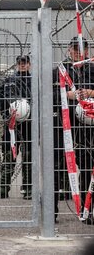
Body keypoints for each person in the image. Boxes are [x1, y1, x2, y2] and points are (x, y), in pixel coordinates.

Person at [52, 37, 94, 221]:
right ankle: (51, 213)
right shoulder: (59, 71)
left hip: (86, 127)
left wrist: (91, 93)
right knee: (56, 168)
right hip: (63, 125)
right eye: (75, 49)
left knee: (86, 168)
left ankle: (88, 210)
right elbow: (48, 94)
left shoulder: (92, 70)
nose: (78, 52)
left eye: (82, 49)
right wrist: (68, 94)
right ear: (69, 50)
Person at [0, 55, 32, 199]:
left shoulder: (34, 81)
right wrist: (6, 114)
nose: (23, 65)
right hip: (12, 124)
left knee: (28, 156)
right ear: (17, 65)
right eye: (20, 63)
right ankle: (3, 188)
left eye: (25, 63)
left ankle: (28, 189)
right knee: (9, 155)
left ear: (29, 64)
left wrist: (30, 112)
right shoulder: (9, 81)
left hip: (29, 124)